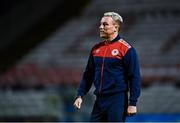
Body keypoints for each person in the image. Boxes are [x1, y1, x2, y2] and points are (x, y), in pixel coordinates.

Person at [73, 12, 141, 122]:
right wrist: (80, 94)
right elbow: (88, 74)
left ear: (116, 27)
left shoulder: (126, 49)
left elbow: (134, 77)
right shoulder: (96, 49)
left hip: (117, 100)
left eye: (105, 24)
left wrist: (133, 103)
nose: (100, 27)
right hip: (99, 100)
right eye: (100, 24)